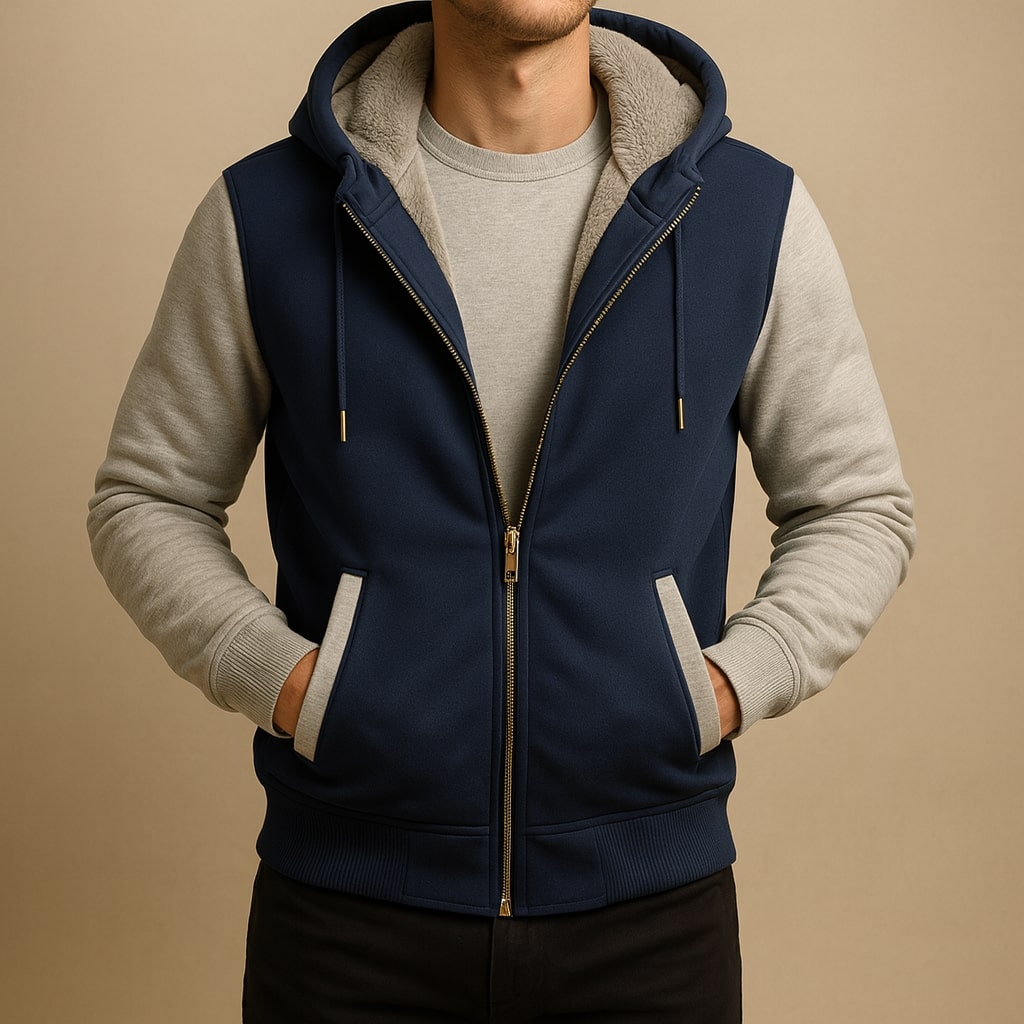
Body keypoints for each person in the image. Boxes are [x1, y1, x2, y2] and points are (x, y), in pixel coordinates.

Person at [88, 1, 915, 1019]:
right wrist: (295, 684)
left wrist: (725, 687)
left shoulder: (748, 213)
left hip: (651, 921)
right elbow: (148, 495)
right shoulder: (264, 212)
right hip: (347, 921)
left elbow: (856, 503)